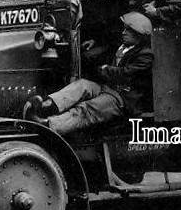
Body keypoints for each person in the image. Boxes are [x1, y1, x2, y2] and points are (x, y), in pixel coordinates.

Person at [24, 12, 154, 135]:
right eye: (124, 29)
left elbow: (125, 74)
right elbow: (107, 46)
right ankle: (47, 105)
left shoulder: (145, 55)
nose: (123, 32)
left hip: (122, 99)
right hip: (108, 88)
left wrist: (105, 69)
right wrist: (94, 43)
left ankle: (48, 125)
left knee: (88, 108)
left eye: (128, 31)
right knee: (82, 85)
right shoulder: (122, 46)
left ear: (138, 35)